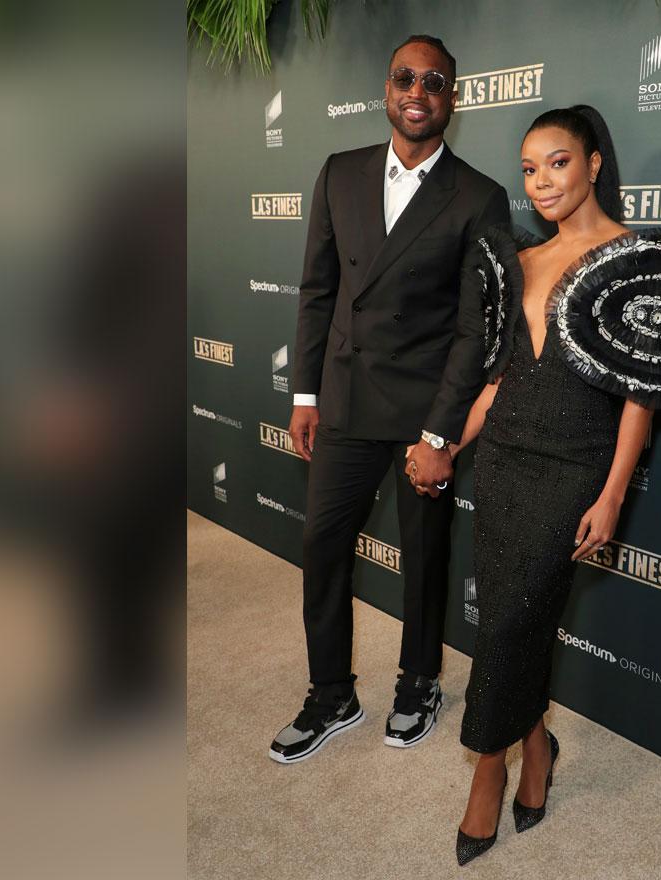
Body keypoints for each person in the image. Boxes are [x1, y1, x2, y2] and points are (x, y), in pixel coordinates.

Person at [421, 106, 661, 864]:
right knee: (508, 623)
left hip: (575, 468)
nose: (541, 181)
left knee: (514, 619)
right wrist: (448, 445)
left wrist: (614, 493)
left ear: (592, 163)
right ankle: (537, 747)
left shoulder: (638, 258)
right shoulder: (520, 260)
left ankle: (488, 774)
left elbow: (641, 398)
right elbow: (499, 381)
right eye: (528, 168)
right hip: (506, 460)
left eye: (556, 162)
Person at [269, 34, 510, 764]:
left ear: (452, 99)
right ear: (386, 88)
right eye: (405, 77)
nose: (417, 91)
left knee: (426, 555)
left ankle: (419, 680)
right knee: (322, 547)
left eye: (433, 81)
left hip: (421, 414)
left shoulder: (479, 196)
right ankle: (331, 692)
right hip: (342, 398)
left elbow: (478, 331)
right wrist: (305, 392)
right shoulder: (339, 173)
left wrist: (441, 435)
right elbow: (318, 293)